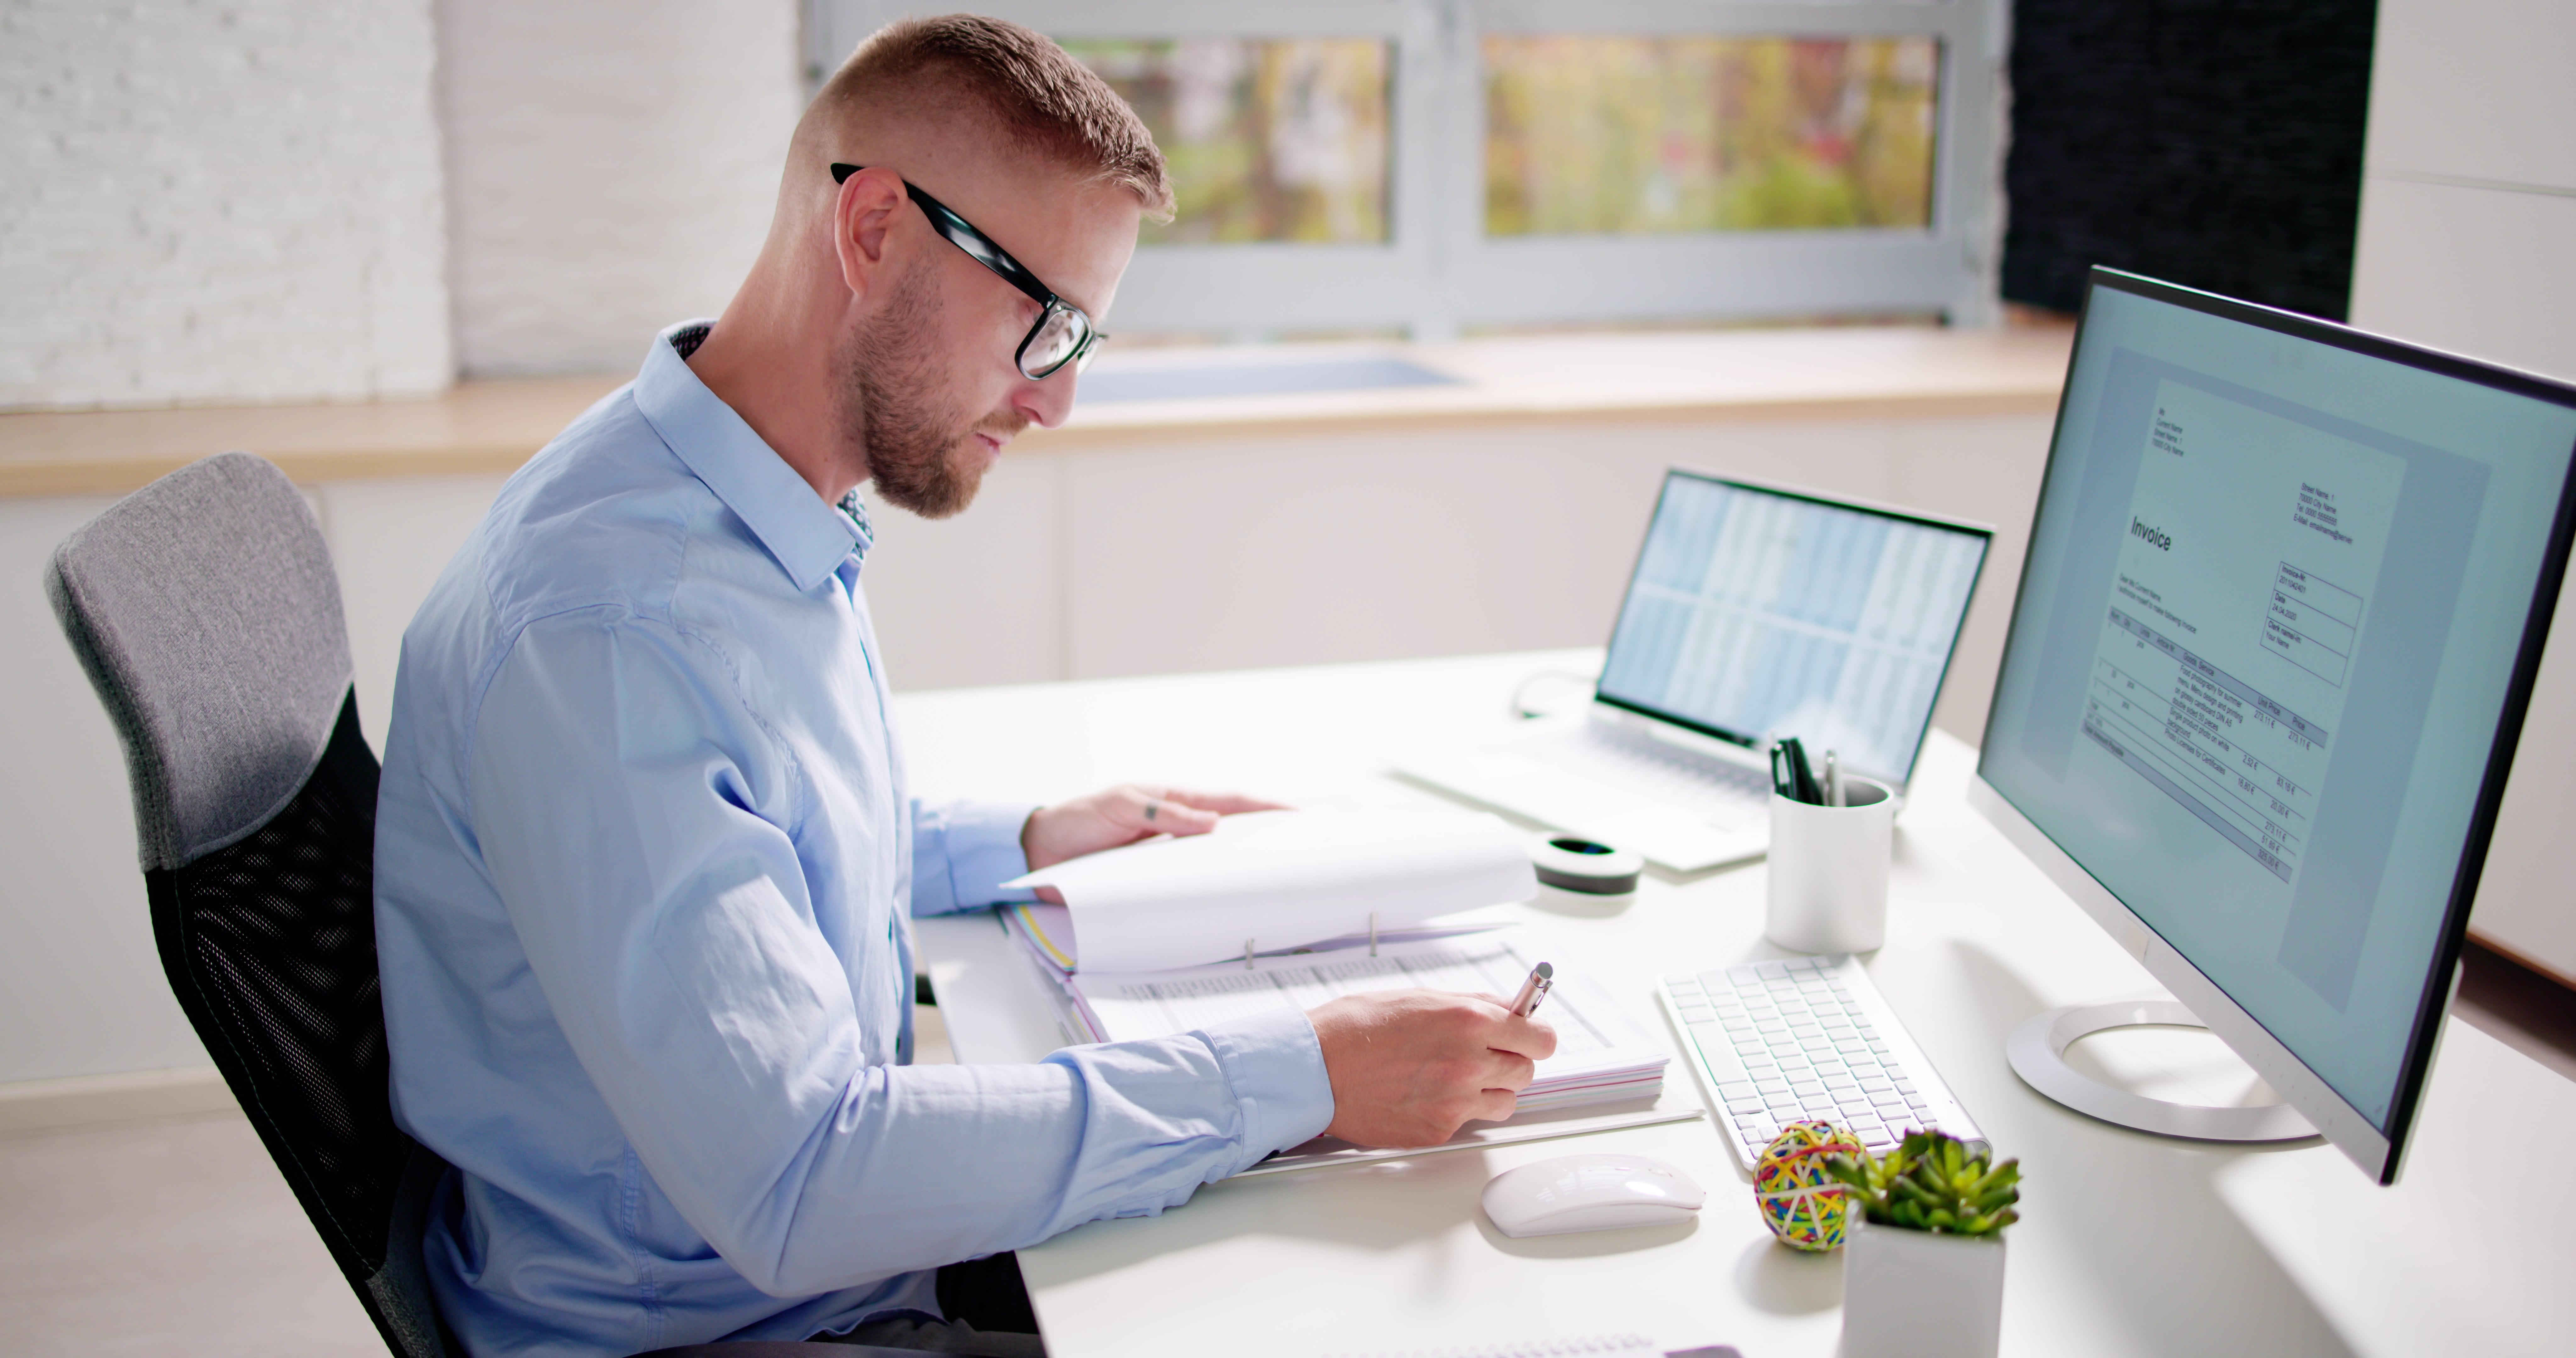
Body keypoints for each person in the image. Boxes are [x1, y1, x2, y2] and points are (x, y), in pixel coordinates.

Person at [372, 16, 1555, 1358]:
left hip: (811, 1272)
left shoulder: (716, 493)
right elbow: (800, 1176)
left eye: (1080, 347)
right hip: (724, 1327)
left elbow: (753, 832)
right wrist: (1306, 1070)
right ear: (873, 231)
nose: (1051, 405)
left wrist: (1023, 839)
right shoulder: (608, 633)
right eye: (1042, 324)